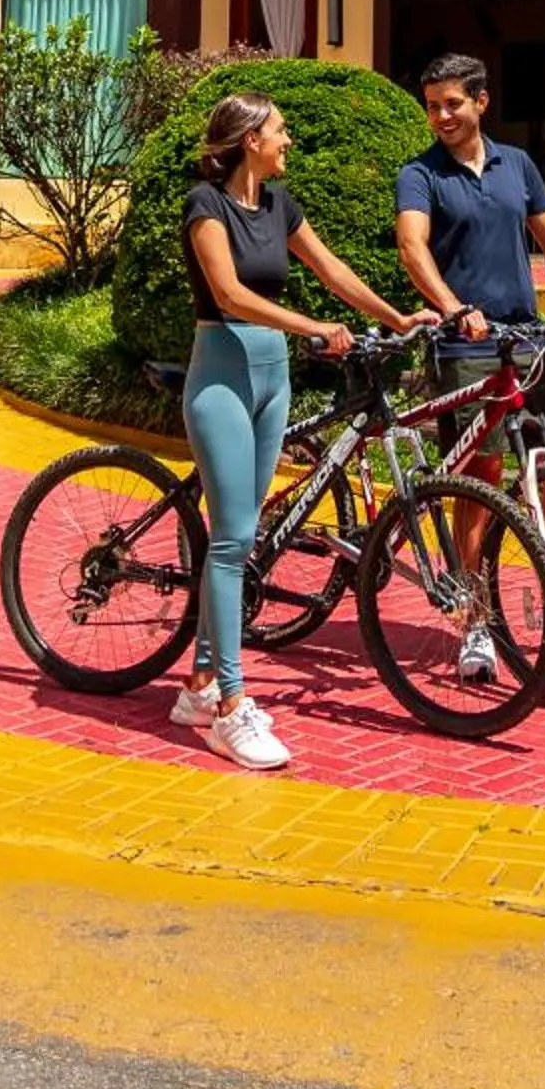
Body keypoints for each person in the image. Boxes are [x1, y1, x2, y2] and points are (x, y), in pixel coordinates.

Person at [177, 90, 430, 770]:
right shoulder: (208, 205)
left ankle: (198, 685)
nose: (290, 141)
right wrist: (314, 327)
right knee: (231, 542)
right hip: (223, 374)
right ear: (250, 139)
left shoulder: (280, 205)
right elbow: (229, 294)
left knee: (244, 534)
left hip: (271, 377)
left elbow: (332, 269)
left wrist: (397, 318)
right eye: (281, 131)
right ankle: (230, 707)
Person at [394, 51, 545, 682]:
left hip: (528, 341)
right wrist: (452, 306)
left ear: (481, 102)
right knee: (481, 483)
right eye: (432, 105)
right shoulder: (421, 174)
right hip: (466, 349)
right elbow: (413, 247)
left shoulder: (517, 165)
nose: (441, 116)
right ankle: (476, 621)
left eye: (452, 104)